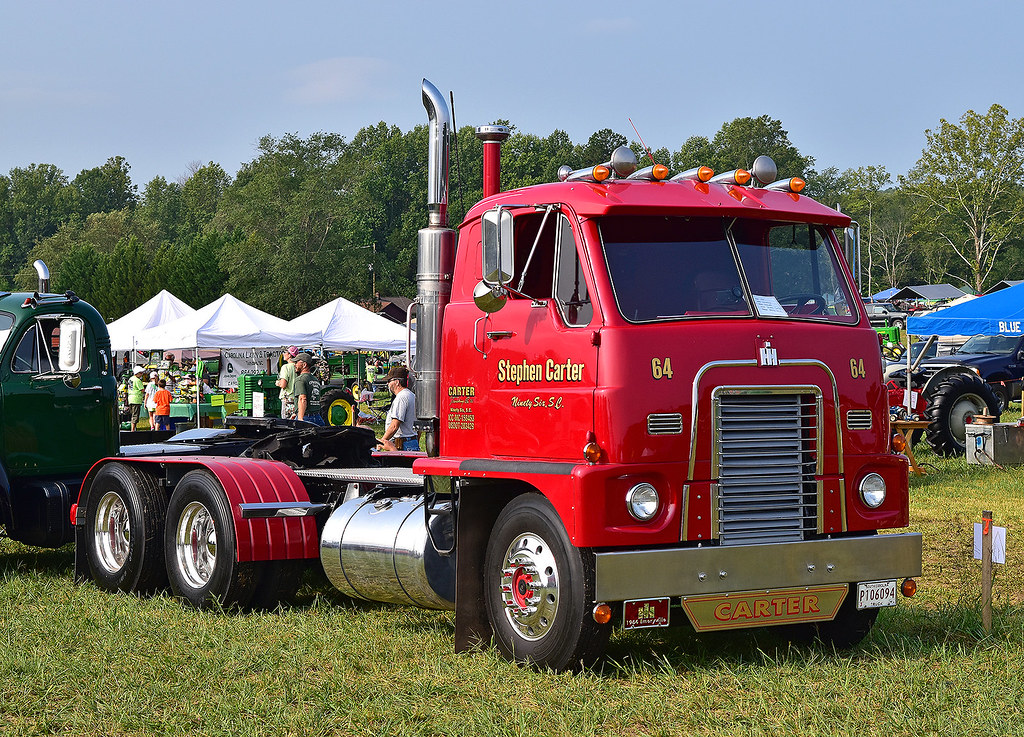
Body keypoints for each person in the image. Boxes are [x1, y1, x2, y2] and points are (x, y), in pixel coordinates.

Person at [378, 365, 417, 451]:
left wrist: (382, 441)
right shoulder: (411, 395)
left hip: (402, 444)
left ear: (397, 382)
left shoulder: (401, 397)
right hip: (411, 441)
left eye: (389, 381)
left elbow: (394, 425)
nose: (387, 384)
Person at [293, 352, 325, 425]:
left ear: (304, 365)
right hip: (318, 417)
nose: (295, 365)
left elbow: (302, 399)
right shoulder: (315, 379)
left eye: (297, 362)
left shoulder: (300, 379)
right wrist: (296, 413)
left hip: (306, 417)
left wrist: (300, 418)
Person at [276, 346, 298, 420]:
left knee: (286, 422)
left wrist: (278, 383)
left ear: (289, 355)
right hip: (297, 398)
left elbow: (283, 384)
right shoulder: (298, 367)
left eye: (285, 352)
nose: (283, 354)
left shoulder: (285, 367)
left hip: (288, 399)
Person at [128, 366, 146, 431]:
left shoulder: (131, 378)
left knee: (132, 414)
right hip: (136, 399)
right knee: (135, 415)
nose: (142, 374)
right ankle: (133, 430)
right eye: (141, 373)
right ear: (137, 373)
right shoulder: (137, 380)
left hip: (131, 398)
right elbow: (142, 389)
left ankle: (133, 428)